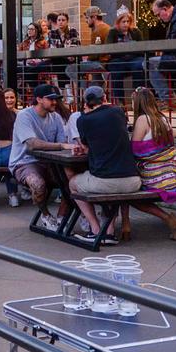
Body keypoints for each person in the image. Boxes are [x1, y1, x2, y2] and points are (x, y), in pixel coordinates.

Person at [67, 86, 141, 245]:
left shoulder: (83, 120)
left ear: (86, 102)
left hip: (105, 181)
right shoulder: (118, 112)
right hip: (133, 181)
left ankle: (95, 230)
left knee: (73, 183)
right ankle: (109, 232)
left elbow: (86, 146)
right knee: (109, 187)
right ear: (105, 98)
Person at [124, 87, 176, 241]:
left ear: (138, 103)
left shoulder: (142, 119)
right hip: (172, 175)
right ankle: (126, 225)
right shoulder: (163, 118)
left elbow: (136, 150)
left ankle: (168, 219)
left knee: (126, 193)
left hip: (155, 175)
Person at [8, 84, 74, 230]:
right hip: (24, 162)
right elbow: (32, 144)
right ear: (38, 99)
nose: (55, 102)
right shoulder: (24, 115)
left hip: (50, 162)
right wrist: (62, 146)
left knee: (73, 180)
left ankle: (62, 217)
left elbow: (62, 141)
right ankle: (46, 216)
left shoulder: (56, 117)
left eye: (56, 99)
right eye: (51, 99)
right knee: (37, 184)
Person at [65, 6, 110, 92]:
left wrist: (87, 58)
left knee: (70, 69)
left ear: (94, 17)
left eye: (87, 18)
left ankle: (90, 90)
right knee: (92, 71)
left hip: (101, 63)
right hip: (103, 62)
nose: (86, 21)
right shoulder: (106, 27)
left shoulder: (98, 30)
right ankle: (99, 88)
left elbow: (94, 53)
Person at [106, 9, 145, 104]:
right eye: (123, 22)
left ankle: (138, 98)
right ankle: (119, 101)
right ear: (118, 22)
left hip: (134, 58)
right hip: (118, 59)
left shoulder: (136, 32)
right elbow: (109, 48)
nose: (126, 24)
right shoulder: (112, 32)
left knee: (139, 66)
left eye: (128, 21)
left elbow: (142, 47)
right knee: (116, 68)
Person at [47, 11, 80, 91]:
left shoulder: (72, 31)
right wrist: (63, 50)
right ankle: (65, 88)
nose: (61, 22)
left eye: (63, 20)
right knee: (58, 61)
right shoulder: (52, 33)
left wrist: (61, 50)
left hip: (72, 58)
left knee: (62, 62)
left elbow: (74, 47)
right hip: (58, 58)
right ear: (56, 21)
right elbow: (52, 48)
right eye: (59, 20)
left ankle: (65, 89)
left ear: (67, 21)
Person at [19, 21, 49, 95]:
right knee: (24, 69)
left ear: (37, 30)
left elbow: (47, 57)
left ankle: (24, 88)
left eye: (32, 29)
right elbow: (19, 55)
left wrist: (38, 60)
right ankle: (35, 91)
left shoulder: (43, 42)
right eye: (28, 29)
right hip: (26, 65)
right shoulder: (24, 42)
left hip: (38, 64)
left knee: (29, 71)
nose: (29, 31)